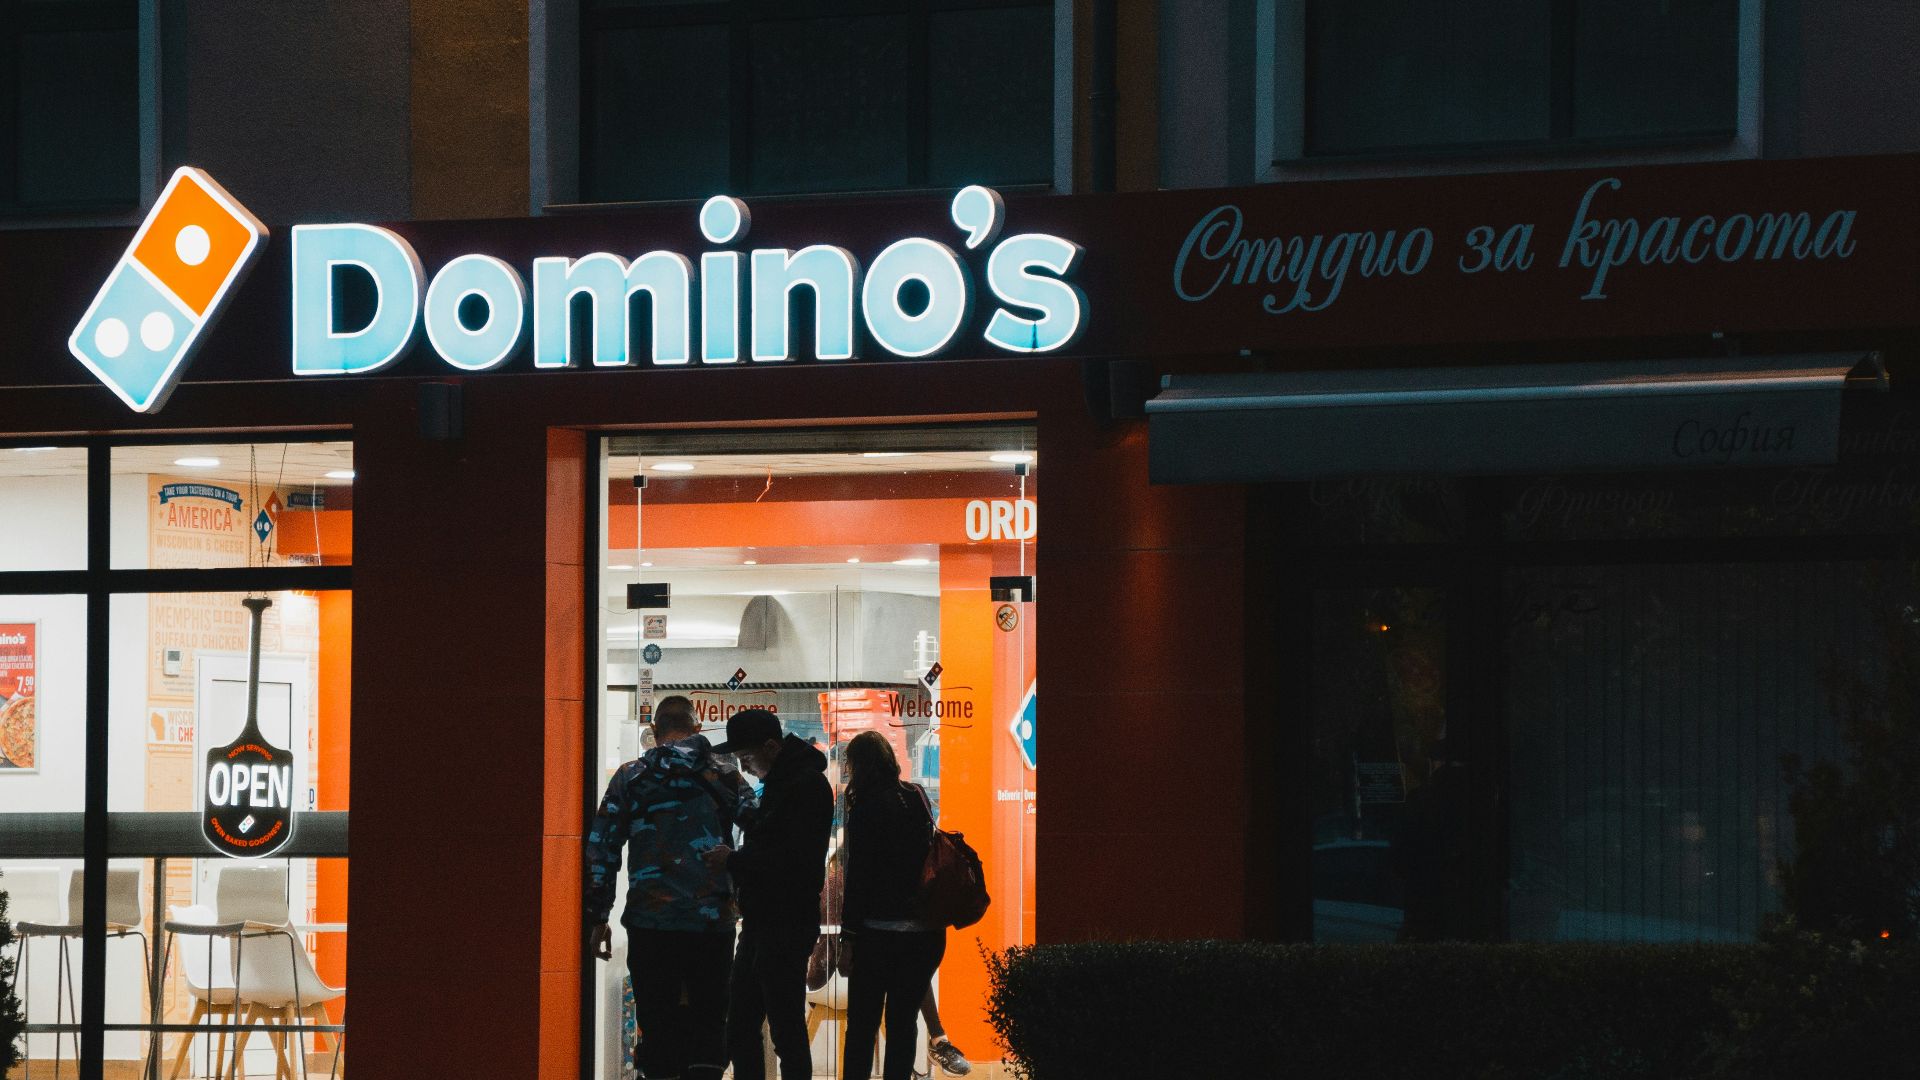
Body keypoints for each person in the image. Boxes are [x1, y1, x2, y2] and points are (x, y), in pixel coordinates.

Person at [586, 695, 755, 1080]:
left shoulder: (631, 777)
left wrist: (597, 916)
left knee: (658, 1023)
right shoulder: (725, 775)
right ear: (698, 729)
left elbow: (602, 848)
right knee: (709, 1023)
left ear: (654, 733)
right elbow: (762, 829)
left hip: (651, 923)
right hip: (711, 924)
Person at [704, 708, 833, 1080]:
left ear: (772, 747)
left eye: (747, 758)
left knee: (784, 1028)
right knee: (746, 1025)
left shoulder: (803, 786)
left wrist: (734, 861)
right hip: (765, 924)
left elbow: (789, 858)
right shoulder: (786, 783)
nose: (745, 768)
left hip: (784, 925)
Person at [839, 730, 946, 1080]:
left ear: (859, 766)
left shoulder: (865, 809)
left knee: (862, 1026)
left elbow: (858, 879)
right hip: (923, 934)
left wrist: (848, 937)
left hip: (878, 936)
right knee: (903, 1025)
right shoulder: (916, 796)